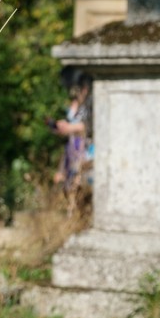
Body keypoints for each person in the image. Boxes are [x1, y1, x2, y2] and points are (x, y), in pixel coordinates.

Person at [51, 67, 94, 215]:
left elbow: (90, 126)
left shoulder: (90, 101)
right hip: (74, 148)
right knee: (70, 186)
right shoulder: (79, 103)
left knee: (78, 184)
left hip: (86, 150)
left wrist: (71, 128)